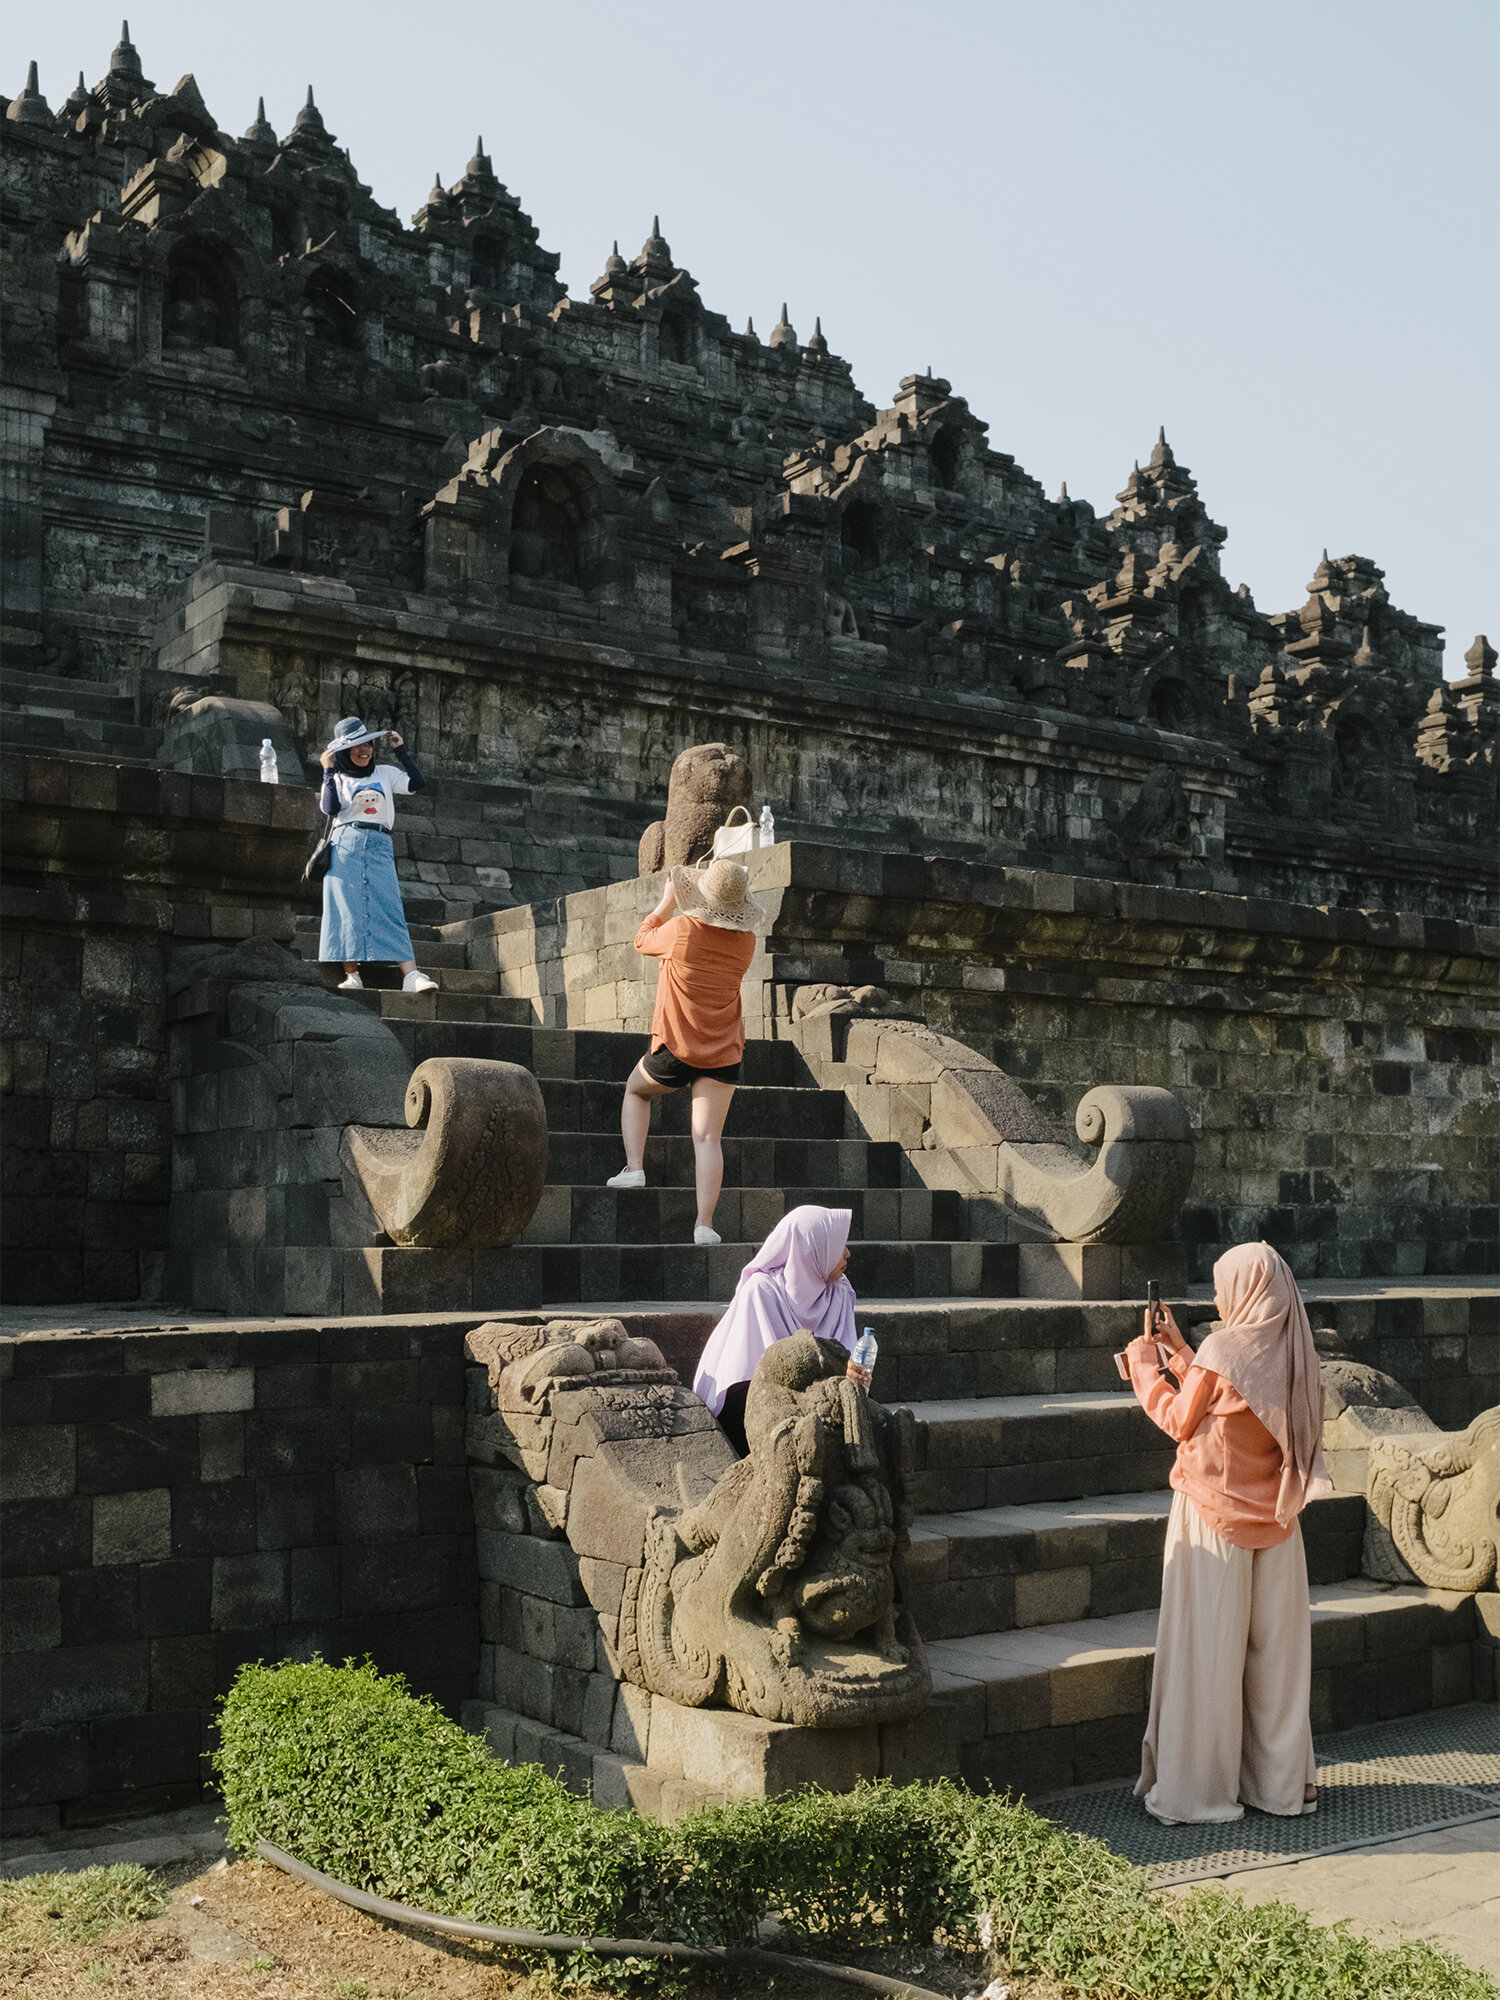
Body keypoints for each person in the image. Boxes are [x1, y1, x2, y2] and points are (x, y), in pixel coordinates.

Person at [1124, 1240, 1332, 1825]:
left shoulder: (1224, 1348)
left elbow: (1182, 1418)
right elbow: (1237, 1402)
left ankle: (1199, 1794)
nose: (1217, 1298)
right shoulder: (1294, 1350)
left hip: (1214, 1517)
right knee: (1278, 1666)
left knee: (1206, 1658)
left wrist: (1147, 1363)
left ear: (1245, 1289)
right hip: (1279, 1521)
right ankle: (1283, 1786)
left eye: (1222, 1286)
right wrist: (1183, 1352)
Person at [606, 857, 766, 1246]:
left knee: (635, 1090)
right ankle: (704, 1225)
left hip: (677, 1045)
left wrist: (665, 903)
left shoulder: (681, 930)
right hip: (724, 1050)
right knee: (708, 1139)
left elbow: (642, 940)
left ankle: (634, 1167)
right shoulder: (746, 942)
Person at [693, 1204, 869, 1456]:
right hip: (754, 1415)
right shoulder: (761, 1292)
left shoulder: (839, 1291)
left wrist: (854, 1373)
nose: (848, 1254)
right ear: (813, 1249)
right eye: (839, 1244)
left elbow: (847, 1359)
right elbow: (747, 1383)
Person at [318, 717, 437, 994]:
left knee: (389, 904)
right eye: (356, 746)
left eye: (367, 744)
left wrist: (401, 751)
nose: (364, 751)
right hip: (345, 843)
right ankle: (352, 974)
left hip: (379, 842)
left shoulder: (384, 773)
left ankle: (411, 975)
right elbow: (330, 808)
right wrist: (327, 771)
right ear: (343, 752)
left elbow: (416, 783)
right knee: (345, 908)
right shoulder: (337, 777)